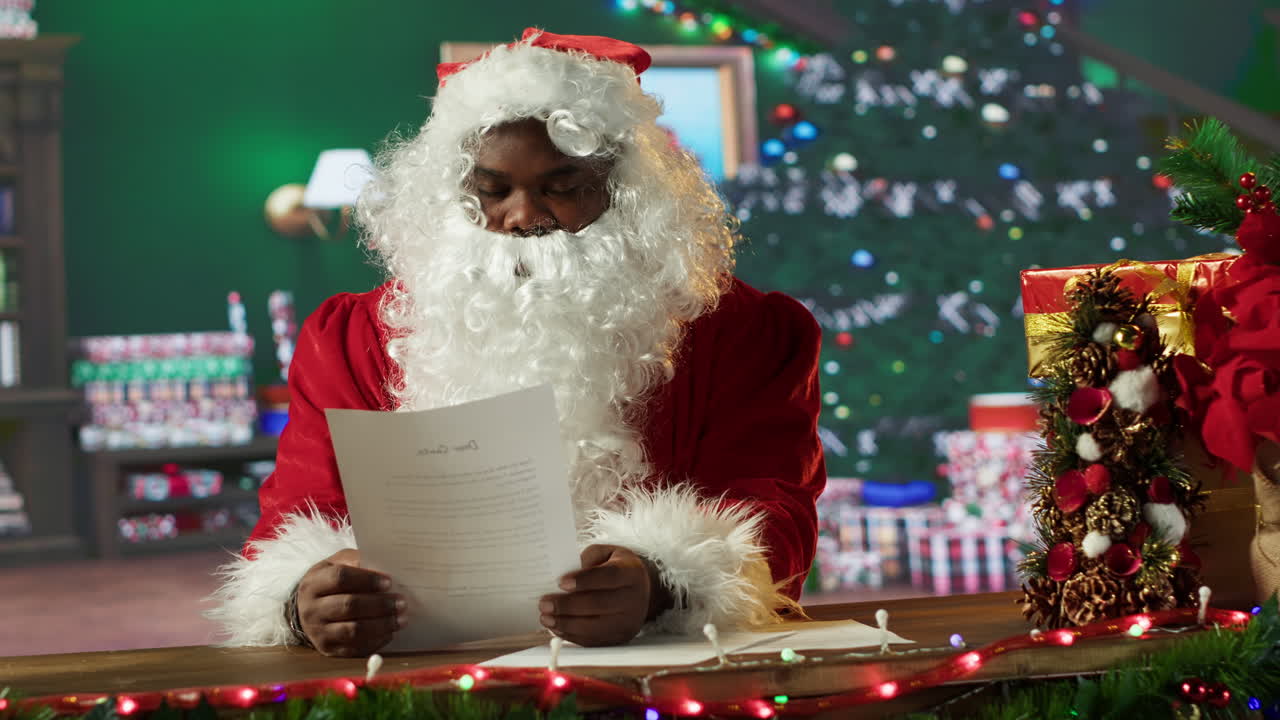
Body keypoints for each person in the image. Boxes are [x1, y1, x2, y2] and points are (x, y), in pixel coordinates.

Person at [207, 28, 826, 657]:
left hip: (658, 669)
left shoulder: (746, 331)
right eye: (491, 190)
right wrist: (306, 596)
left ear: (627, 190)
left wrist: (662, 583)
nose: (523, 216)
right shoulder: (350, 339)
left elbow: (774, 515)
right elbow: (298, 518)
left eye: (562, 186)